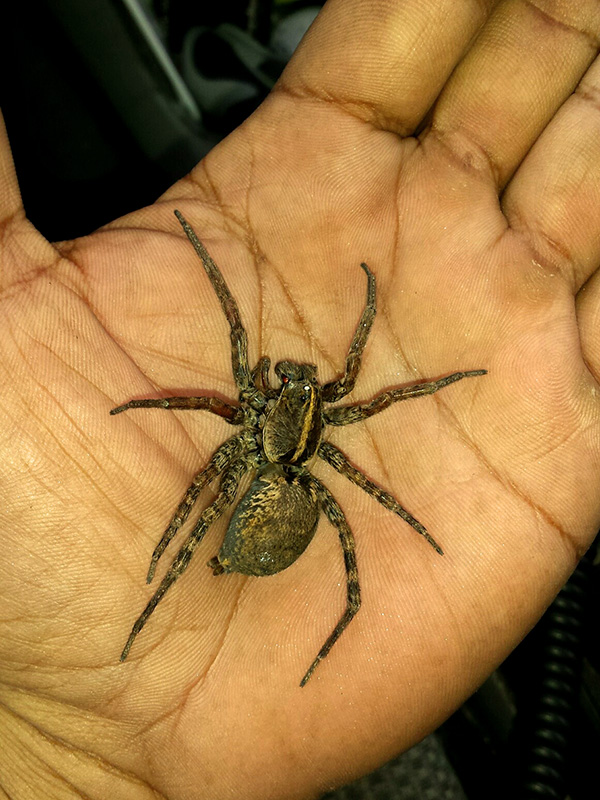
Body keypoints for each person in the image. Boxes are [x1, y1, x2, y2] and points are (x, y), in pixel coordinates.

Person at [1, 1, 599, 797]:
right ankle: (166, 607)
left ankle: (165, 598)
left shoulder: (255, 428)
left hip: (280, 494)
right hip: (292, 494)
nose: (295, 384)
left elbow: (238, 346)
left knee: (209, 495)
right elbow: (372, 453)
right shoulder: (328, 445)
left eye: (296, 389)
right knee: (314, 516)